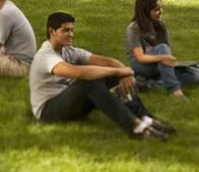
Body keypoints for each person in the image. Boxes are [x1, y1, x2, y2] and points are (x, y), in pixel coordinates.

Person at [29, 11, 173, 141]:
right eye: (66, 30)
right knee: (89, 82)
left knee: (110, 78)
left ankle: (145, 118)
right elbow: (80, 73)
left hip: (68, 101)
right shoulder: (45, 56)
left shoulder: (68, 51)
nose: (71, 34)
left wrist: (123, 74)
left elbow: (108, 62)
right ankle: (136, 128)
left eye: (72, 30)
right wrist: (119, 72)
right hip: (49, 111)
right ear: (52, 32)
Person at [126, 0, 199, 97]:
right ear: (145, 12)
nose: (161, 12)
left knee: (194, 75)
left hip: (160, 63)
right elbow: (140, 58)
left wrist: (166, 60)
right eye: (156, 9)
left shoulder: (160, 24)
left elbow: (167, 50)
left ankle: (148, 84)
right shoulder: (133, 28)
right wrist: (163, 58)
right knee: (162, 48)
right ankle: (174, 90)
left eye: (160, 8)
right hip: (141, 66)